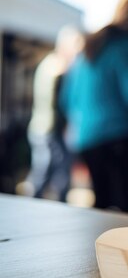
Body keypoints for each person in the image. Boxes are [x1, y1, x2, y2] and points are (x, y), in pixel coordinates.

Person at [60, 0, 128, 213]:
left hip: (87, 137)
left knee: (100, 207)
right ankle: (122, 248)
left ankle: (95, 247)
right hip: (118, 136)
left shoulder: (89, 46)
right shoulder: (127, 44)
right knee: (126, 211)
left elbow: (67, 99)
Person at [26, 25, 83, 201]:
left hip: (42, 128)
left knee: (44, 173)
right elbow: (60, 104)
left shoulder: (48, 63)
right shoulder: (58, 68)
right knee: (55, 176)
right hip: (49, 130)